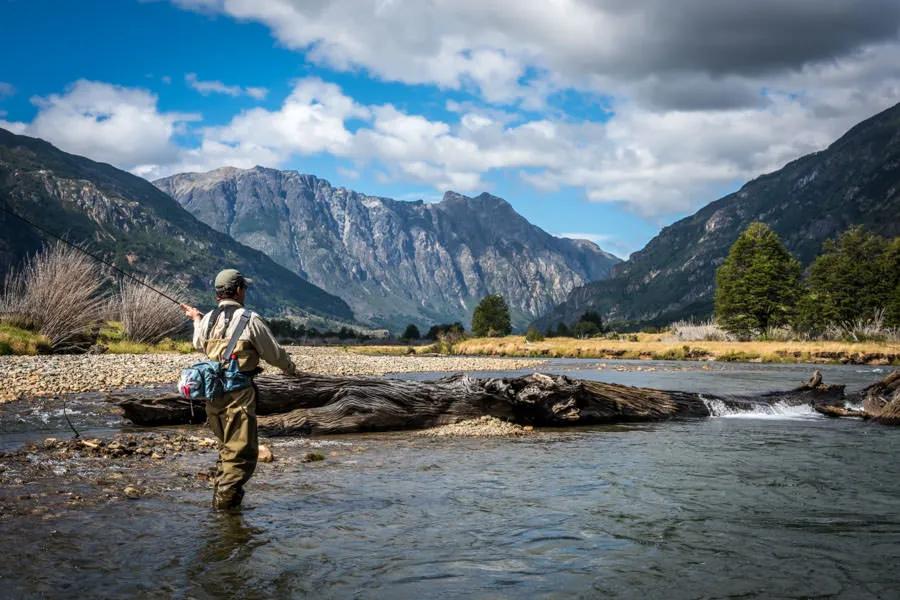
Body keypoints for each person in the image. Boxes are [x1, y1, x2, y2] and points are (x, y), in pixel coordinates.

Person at [181, 268, 299, 509]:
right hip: (238, 396)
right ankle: (224, 513)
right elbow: (273, 354)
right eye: (244, 288)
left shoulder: (208, 320)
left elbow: (197, 344)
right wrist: (291, 369)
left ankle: (227, 507)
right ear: (237, 290)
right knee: (243, 455)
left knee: (227, 449)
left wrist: (196, 319)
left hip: (213, 397)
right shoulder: (250, 319)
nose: (245, 292)